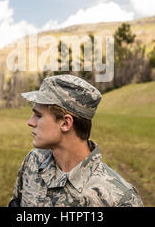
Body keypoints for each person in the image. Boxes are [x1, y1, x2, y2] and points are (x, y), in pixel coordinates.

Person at [9, 74, 143, 207]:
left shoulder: (120, 199)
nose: (30, 122)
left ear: (66, 123)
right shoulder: (33, 162)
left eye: (38, 115)